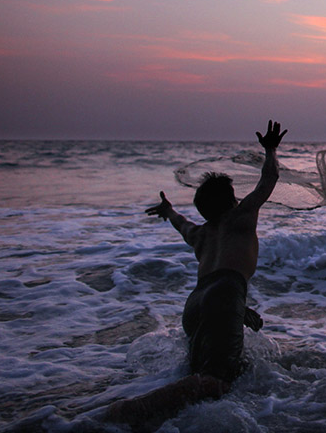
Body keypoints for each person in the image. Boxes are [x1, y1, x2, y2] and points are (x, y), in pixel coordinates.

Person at [104, 119, 286, 429]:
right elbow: (269, 180)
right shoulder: (241, 217)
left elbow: (181, 224)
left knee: (205, 374)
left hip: (196, 302)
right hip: (224, 295)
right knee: (217, 381)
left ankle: (170, 420)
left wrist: (168, 210)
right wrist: (270, 150)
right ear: (232, 201)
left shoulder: (200, 234)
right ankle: (133, 410)